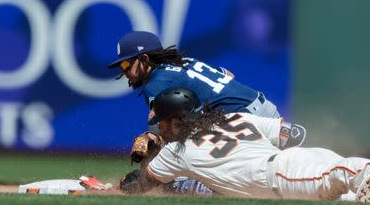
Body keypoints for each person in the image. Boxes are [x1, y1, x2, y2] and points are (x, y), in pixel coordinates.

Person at [121, 87, 370, 203]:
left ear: (174, 120)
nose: (159, 128)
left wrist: (114, 185)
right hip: (295, 158)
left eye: (162, 123)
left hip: (276, 175)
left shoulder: (175, 152)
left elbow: (141, 183)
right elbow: (291, 133)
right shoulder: (232, 117)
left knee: (337, 175)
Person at [107, 30, 305, 147]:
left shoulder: (155, 83)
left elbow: (158, 129)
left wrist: (147, 140)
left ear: (144, 59)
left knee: (186, 177)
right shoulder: (184, 61)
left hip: (245, 123)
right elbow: (228, 75)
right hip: (264, 108)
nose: (124, 71)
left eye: (126, 65)